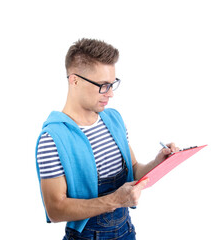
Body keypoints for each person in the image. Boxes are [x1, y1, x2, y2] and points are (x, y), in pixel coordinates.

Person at [35, 38, 179, 240]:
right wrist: (114, 200)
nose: (110, 93)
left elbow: (135, 169)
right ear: (74, 80)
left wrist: (158, 162)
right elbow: (55, 210)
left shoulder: (114, 120)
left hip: (126, 231)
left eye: (112, 84)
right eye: (102, 85)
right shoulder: (53, 138)